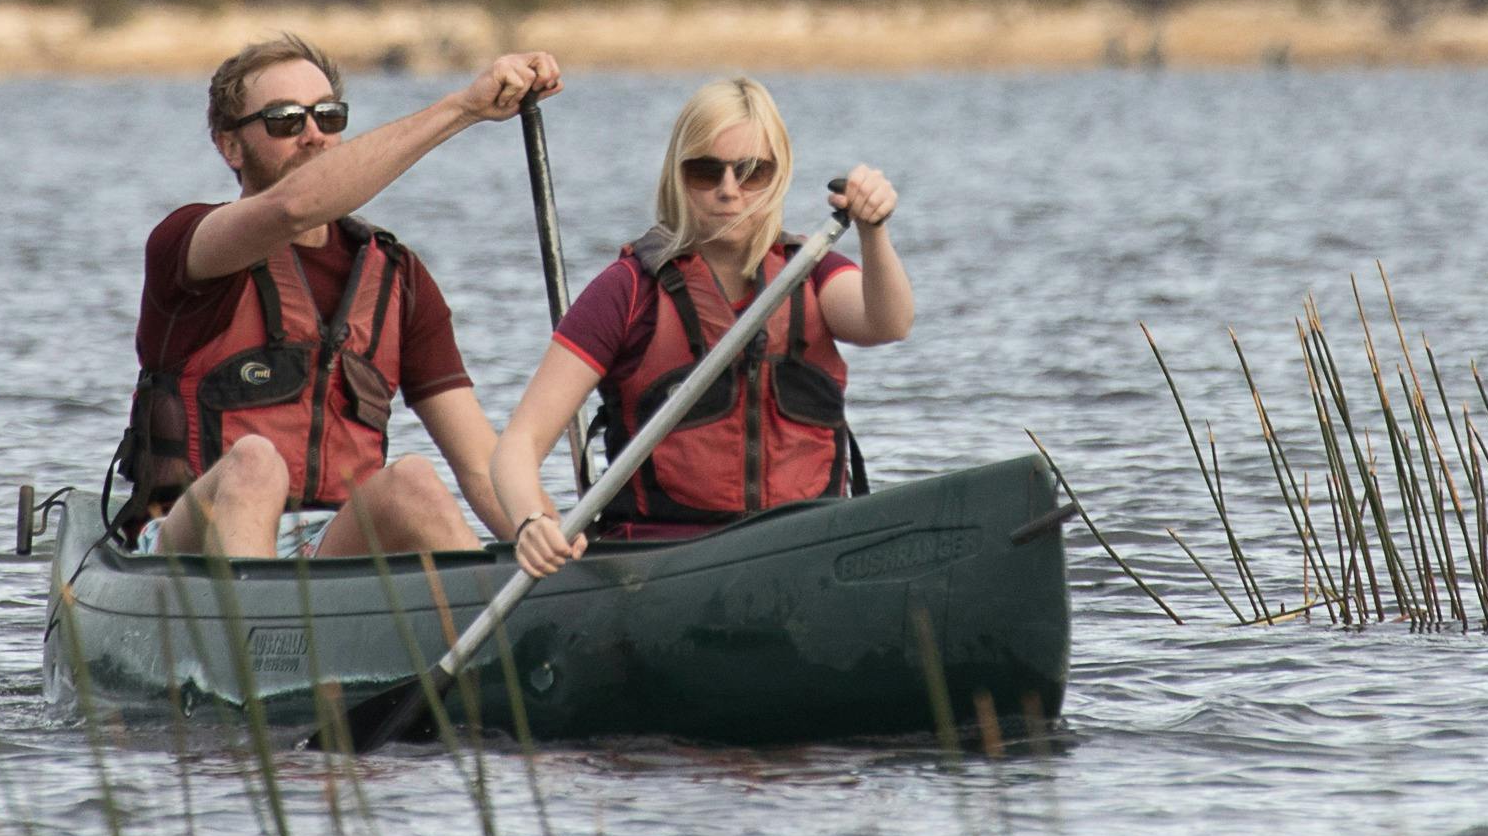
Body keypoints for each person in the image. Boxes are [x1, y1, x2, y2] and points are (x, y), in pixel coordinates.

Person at [118, 32, 558, 558]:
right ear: (230, 144)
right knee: (255, 463)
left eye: (328, 117)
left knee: (414, 482)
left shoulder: (398, 278)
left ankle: (501, 627)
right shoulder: (190, 244)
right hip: (187, 543)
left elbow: (478, 462)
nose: (313, 135)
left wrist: (549, 536)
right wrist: (464, 107)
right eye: (285, 120)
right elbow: (293, 207)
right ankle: (256, 630)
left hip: (330, 546)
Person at [496, 73, 911, 575]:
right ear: (678, 175)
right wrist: (533, 520)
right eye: (705, 171)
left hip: (805, 552)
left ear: (778, 175)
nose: (728, 190)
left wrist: (873, 232)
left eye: (752, 171)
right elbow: (517, 446)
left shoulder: (813, 274)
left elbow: (888, 322)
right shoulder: (627, 292)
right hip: (665, 565)